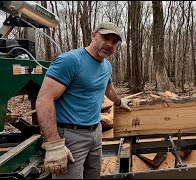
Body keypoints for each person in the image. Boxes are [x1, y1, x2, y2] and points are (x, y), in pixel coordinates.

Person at [36, 22, 131, 179]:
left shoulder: (106, 66)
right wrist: (54, 143)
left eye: (114, 41)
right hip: (71, 136)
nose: (109, 44)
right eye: (105, 38)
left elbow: (108, 89)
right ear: (94, 35)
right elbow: (44, 99)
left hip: (96, 133)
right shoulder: (70, 61)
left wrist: (120, 102)